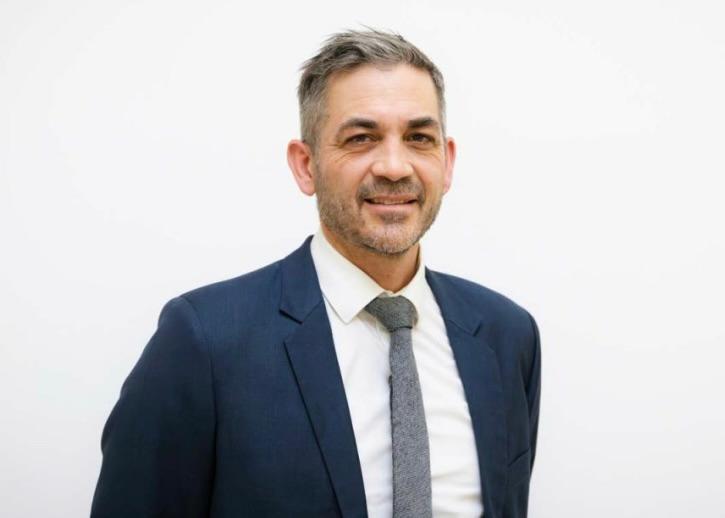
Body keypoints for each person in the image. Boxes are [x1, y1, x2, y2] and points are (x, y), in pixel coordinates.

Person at [91, 29, 541, 518]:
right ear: (305, 165)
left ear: (447, 162)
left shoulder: (506, 337)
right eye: (361, 138)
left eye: (419, 138)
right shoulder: (204, 341)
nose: (394, 167)